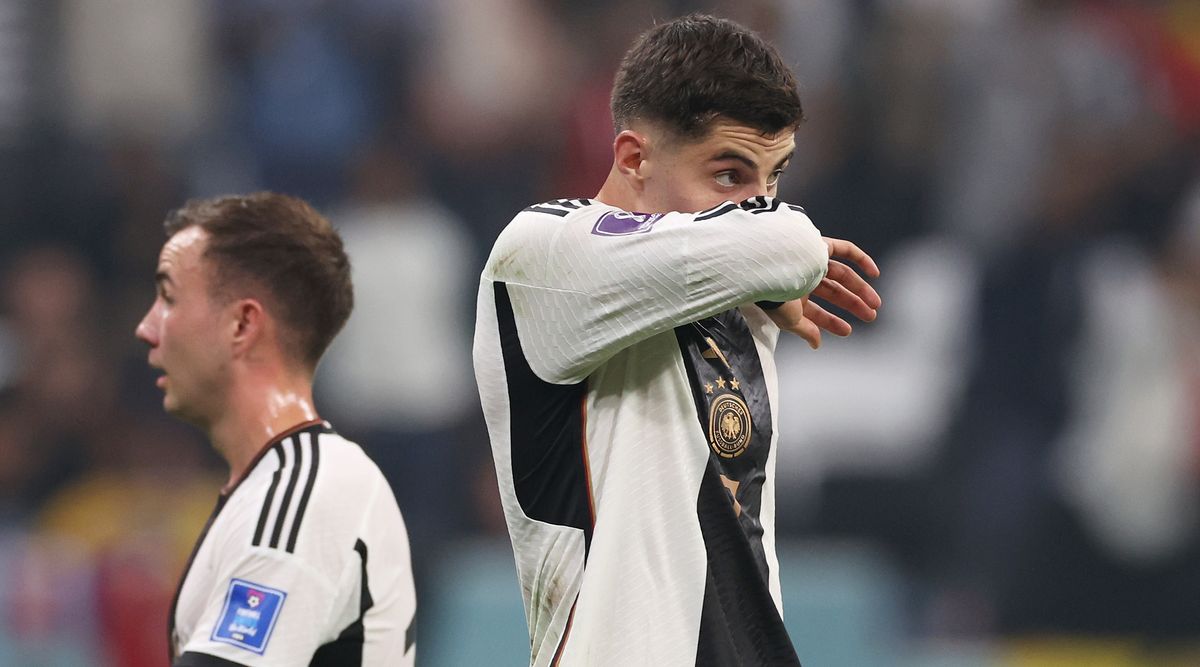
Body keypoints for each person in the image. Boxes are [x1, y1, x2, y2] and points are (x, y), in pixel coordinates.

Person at [473, 14, 881, 666]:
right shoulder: (541, 257)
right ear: (634, 157)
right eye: (729, 174)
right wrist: (786, 248)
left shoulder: (742, 296)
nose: (760, 203)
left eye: (774, 177)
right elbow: (787, 241)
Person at [135, 193, 417, 666]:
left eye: (168, 297)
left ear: (243, 324)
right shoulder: (277, 487)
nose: (147, 327)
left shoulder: (309, 492)